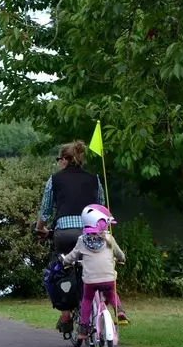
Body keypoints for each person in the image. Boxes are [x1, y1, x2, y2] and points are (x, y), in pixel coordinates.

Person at [35, 140, 129, 332]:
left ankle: (65, 316)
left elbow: (45, 211)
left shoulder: (55, 179)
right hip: (93, 232)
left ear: (65, 160)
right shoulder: (94, 178)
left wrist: (40, 229)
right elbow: (102, 206)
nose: (57, 163)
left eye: (58, 159)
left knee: (61, 266)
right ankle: (104, 304)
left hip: (65, 234)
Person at [60, 204, 125, 340]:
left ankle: (83, 327)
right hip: (108, 278)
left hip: (90, 281)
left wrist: (65, 261)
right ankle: (119, 311)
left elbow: (72, 256)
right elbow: (120, 255)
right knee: (112, 293)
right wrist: (121, 259)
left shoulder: (82, 241)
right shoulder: (109, 238)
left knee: (87, 299)